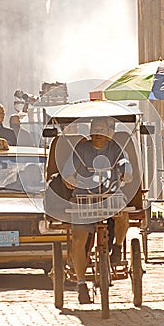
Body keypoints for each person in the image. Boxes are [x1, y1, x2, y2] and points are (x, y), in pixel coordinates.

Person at [62, 117, 133, 304]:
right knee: (78, 241)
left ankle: (117, 247)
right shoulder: (81, 149)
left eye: (102, 129)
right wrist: (69, 178)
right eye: (95, 129)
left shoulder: (116, 149)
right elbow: (69, 169)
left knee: (123, 214)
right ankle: (81, 284)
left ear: (110, 132)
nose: (98, 133)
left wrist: (127, 173)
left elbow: (125, 163)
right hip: (83, 198)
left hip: (110, 197)